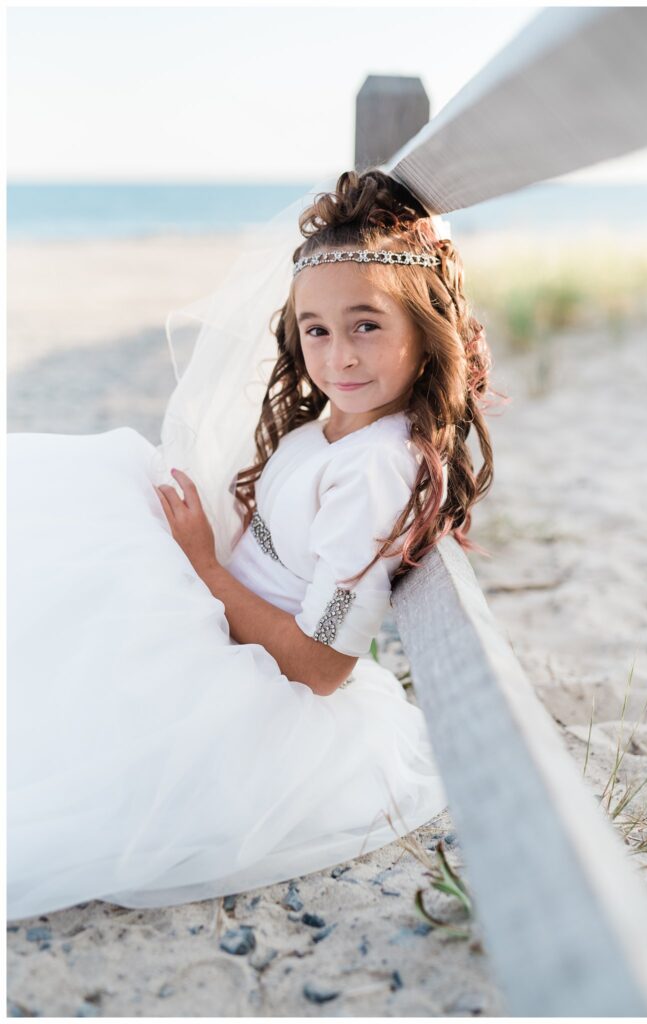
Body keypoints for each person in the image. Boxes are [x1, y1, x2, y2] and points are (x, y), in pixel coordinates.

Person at [7, 168, 500, 921]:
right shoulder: (340, 426)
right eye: (318, 330)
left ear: (422, 328)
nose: (338, 357)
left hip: (255, 663)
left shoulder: (377, 470)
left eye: (367, 324)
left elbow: (321, 666)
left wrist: (202, 565)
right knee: (93, 495)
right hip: (226, 606)